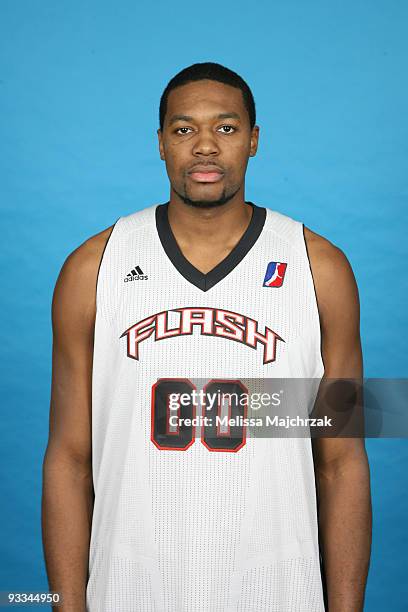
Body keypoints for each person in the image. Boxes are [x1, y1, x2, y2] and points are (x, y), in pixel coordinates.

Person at [42, 62, 372, 611]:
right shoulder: (91, 267)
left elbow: (342, 460)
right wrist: (65, 605)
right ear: (161, 143)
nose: (204, 147)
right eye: (183, 129)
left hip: (278, 593)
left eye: (225, 128)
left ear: (254, 140)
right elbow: (67, 459)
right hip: (128, 592)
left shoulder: (322, 268)